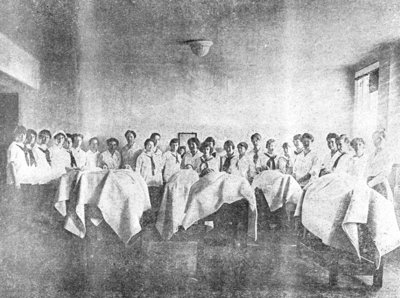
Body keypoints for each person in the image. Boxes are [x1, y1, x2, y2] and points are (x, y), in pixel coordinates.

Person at [136, 138, 164, 216]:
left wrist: (160, 181)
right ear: (145, 146)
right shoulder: (141, 157)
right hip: (145, 183)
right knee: (146, 202)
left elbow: (159, 170)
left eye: (152, 145)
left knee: (155, 201)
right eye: (148, 145)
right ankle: (146, 219)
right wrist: (138, 182)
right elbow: (137, 170)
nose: (150, 147)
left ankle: (154, 219)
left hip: (155, 182)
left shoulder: (157, 157)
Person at [365, 129, 393, 201]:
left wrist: (371, 183)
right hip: (369, 183)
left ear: (384, 139)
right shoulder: (372, 154)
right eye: (374, 139)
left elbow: (385, 173)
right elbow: (367, 169)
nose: (377, 141)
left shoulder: (388, 154)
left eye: (379, 139)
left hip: (380, 185)